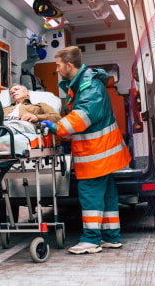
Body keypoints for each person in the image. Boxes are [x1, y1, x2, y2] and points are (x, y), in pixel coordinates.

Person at [42, 46, 130, 255]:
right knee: (107, 194)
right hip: (103, 151)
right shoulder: (82, 83)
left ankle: (91, 240)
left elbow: (83, 117)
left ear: (69, 65)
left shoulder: (88, 86)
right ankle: (111, 237)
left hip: (96, 152)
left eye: (58, 65)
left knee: (90, 193)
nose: (56, 69)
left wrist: (56, 127)